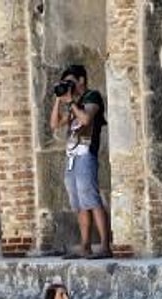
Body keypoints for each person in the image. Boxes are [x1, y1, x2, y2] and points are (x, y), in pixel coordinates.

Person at [48, 64, 112, 259]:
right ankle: (85, 245)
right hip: (72, 157)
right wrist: (60, 100)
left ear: (82, 80)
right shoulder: (73, 102)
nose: (69, 86)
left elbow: (85, 120)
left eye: (71, 82)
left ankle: (104, 246)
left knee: (91, 198)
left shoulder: (92, 97)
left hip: (86, 154)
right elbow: (54, 125)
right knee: (78, 203)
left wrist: (72, 103)